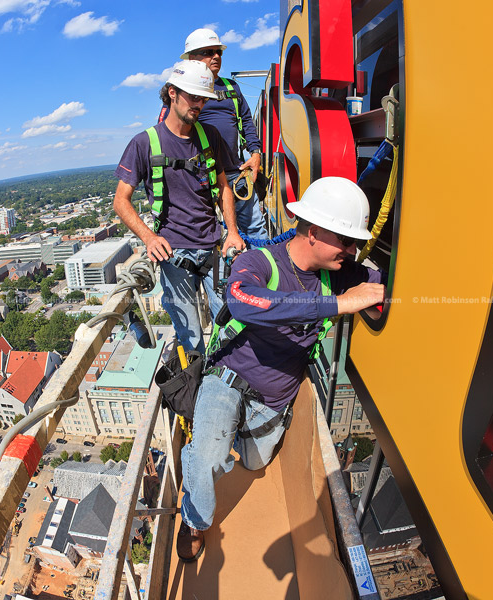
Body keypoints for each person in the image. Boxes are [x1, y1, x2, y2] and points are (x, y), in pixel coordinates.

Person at [176, 176, 386, 562]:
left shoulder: (339, 273)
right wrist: (336, 305)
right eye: (346, 240)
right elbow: (242, 300)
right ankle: (194, 516)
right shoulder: (261, 261)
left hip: (273, 397)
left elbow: (381, 286)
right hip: (229, 378)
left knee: (254, 462)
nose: (354, 250)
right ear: (313, 231)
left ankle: (224, 436)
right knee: (207, 458)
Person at [113, 60, 245, 353]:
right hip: (175, 255)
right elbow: (120, 200)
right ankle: (194, 389)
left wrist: (232, 232)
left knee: (232, 327)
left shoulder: (209, 136)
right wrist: (149, 237)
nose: (198, 104)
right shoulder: (144, 143)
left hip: (213, 248)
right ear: (172, 92)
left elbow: (224, 186)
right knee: (191, 339)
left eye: (203, 99)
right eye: (193, 97)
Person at [161, 28, 268, 240]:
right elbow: (169, 131)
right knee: (205, 233)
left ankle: (260, 269)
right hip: (199, 174)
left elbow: (246, 120)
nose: (216, 56)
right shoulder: (182, 90)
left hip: (234, 171)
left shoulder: (230, 88)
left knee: (255, 228)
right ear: (192, 58)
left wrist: (255, 153)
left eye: (218, 52)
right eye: (209, 52)